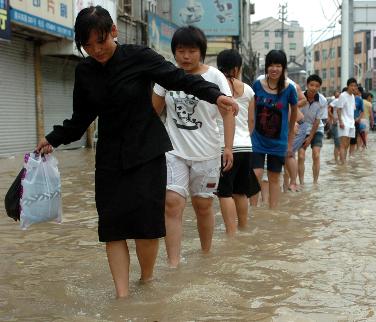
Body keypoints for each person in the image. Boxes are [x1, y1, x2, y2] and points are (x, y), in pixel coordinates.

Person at [36, 6, 237, 298]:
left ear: (113, 32)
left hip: (147, 153)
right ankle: (122, 296)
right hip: (109, 159)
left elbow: (179, 79)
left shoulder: (139, 57)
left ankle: (146, 281)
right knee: (113, 227)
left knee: (145, 226)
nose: (96, 50)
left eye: (100, 42)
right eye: (87, 45)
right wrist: (52, 138)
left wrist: (216, 96)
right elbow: (81, 119)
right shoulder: (86, 71)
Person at [151, 26, 235, 268]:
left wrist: (227, 148)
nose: (185, 56)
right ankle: (173, 263)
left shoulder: (216, 77)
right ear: (174, 52)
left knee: (203, 205)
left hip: (207, 153)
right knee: (172, 203)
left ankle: (206, 254)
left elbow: (227, 112)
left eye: (191, 51)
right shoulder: (166, 75)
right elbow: (153, 112)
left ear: (201, 52)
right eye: (180, 51)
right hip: (173, 151)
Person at [215, 49, 260, 236]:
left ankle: (231, 235)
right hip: (246, 146)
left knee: (225, 193)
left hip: (224, 146)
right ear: (237, 68)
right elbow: (251, 122)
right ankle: (243, 228)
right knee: (241, 192)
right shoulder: (248, 89)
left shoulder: (214, 87)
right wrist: (244, 137)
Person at [249, 49, 298, 208]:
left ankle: (273, 212)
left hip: (278, 142)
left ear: (283, 68)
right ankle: (254, 211)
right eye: (271, 65)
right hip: (256, 139)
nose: (274, 69)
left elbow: (293, 117)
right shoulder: (257, 85)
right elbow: (251, 111)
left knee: (274, 178)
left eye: (278, 65)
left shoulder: (289, 88)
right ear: (266, 67)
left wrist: (290, 143)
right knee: (255, 174)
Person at [291, 74, 327, 185]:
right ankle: (301, 183)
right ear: (307, 85)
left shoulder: (322, 100)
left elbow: (317, 121)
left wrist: (310, 138)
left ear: (319, 87)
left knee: (316, 154)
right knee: (301, 156)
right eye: (311, 85)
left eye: (317, 86)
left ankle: (315, 183)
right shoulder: (299, 97)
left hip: (316, 129)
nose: (313, 88)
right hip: (301, 128)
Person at [336, 78, 358, 164]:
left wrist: (354, 121)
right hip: (344, 122)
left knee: (347, 144)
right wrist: (340, 121)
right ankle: (343, 163)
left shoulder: (352, 96)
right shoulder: (343, 95)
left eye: (355, 86)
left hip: (351, 123)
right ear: (348, 86)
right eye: (351, 85)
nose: (353, 87)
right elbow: (338, 109)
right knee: (343, 144)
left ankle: (344, 161)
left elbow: (352, 110)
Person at [349, 86, 365, 155]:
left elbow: (362, 111)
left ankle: (351, 155)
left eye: (356, 89)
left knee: (354, 139)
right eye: (353, 88)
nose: (354, 90)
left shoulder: (359, 99)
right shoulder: (347, 98)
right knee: (346, 139)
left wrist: (359, 118)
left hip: (355, 122)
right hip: (347, 121)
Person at [328, 89, 341, 163]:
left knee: (341, 143)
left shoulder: (343, 101)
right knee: (337, 143)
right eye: (336, 94)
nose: (338, 95)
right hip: (336, 124)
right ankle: (336, 160)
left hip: (343, 124)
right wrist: (333, 117)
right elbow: (328, 109)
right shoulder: (336, 101)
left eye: (338, 93)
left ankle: (339, 159)